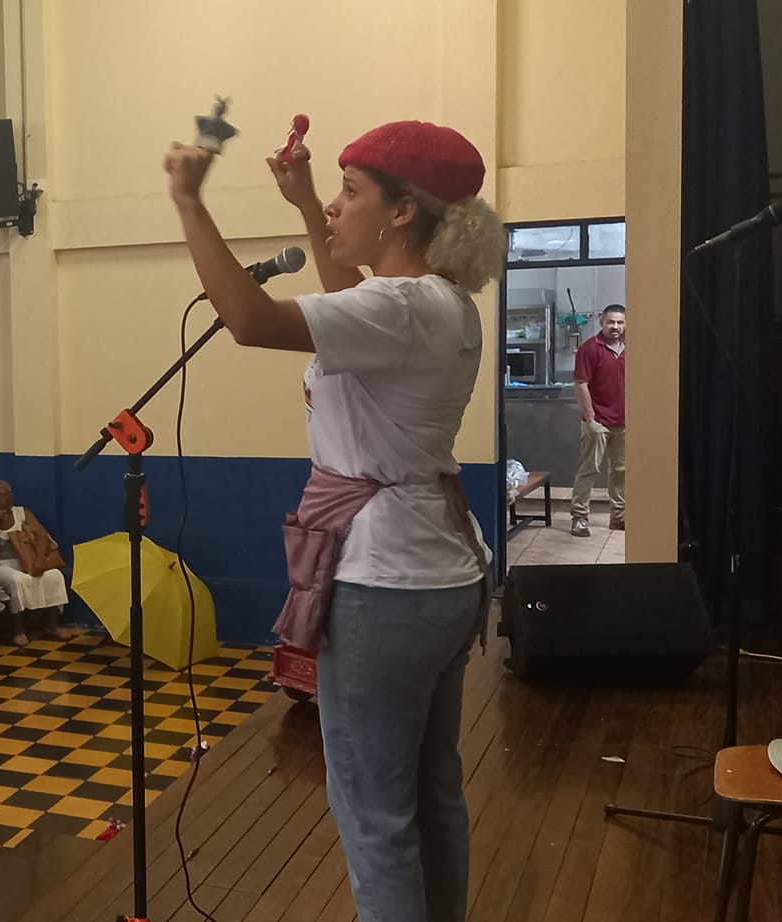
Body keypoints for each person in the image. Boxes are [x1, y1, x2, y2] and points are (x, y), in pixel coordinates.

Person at [170, 118, 501, 922]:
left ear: (402, 211)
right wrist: (303, 198)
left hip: (384, 587)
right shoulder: (441, 303)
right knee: (430, 793)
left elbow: (250, 321)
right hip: (443, 575)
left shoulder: (398, 307)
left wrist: (188, 202)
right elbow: (353, 299)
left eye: (350, 193)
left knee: (374, 815)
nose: (333, 207)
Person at [0, 481, 72, 645]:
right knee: (16, 579)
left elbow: (42, 536)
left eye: (0, 495)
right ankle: (19, 630)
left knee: (54, 575)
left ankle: (52, 625)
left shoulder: (23, 513)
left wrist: (39, 561)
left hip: (26, 562)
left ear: (10, 496)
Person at [571, 304, 627, 537]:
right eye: (610, 322)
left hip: (624, 423)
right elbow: (581, 384)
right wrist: (591, 420)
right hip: (598, 423)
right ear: (602, 322)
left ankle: (619, 517)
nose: (615, 326)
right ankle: (579, 518)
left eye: (620, 322)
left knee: (621, 471)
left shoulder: (632, 349)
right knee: (589, 469)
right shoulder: (590, 348)